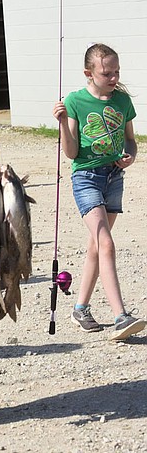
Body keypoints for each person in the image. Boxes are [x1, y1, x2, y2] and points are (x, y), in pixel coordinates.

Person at [53, 43, 145, 341]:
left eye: (116, 71)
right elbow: (70, 152)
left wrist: (129, 156)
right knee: (105, 242)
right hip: (86, 178)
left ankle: (80, 307)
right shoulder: (75, 102)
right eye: (107, 73)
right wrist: (62, 126)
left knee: (96, 245)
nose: (114, 77)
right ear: (88, 73)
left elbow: (130, 140)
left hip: (113, 177)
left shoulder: (121, 101)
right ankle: (121, 316)